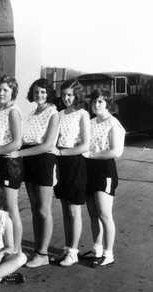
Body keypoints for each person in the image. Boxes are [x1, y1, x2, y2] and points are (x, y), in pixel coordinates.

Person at [8, 78, 59, 268]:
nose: (40, 95)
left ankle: (43, 253)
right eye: (37, 92)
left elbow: (46, 145)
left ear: (49, 94)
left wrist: (18, 153)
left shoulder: (53, 114)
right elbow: (22, 139)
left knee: (44, 210)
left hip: (44, 161)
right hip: (29, 160)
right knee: (34, 208)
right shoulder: (30, 113)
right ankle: (38, 250)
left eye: (44, 92)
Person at [49, 79, 90, 267]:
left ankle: (74, 252)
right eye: (64, 94)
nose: (66, 98)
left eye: (70, 95)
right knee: (65, 208)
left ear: (77, 96)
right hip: (61, 162)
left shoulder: (82, 114)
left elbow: (85, 145)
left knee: (74, 210)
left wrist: (62, 152)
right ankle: (67, 248)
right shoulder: (59, 114)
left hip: (75, 162)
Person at [84, 89, 125, 268]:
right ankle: (97, 249)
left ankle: (109, 254)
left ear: (108, 103)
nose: (96, 105)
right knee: (93, 213)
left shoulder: (113, 124)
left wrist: (91, 155)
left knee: (104, 214)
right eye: (94, 101)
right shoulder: (90, 122)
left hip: (105, 170)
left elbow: (116, 151)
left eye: (101, 101)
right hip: (89, 170)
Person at [0, 75, 24, 252]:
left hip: (11, 164)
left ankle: (16, 250)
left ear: (13, 93)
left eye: (6, 90)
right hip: (0, 162)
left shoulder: (13, 111)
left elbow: (17, 143)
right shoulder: (2, 110)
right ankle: (5, 245)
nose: (1, 93)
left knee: (11, 207)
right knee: (1, 207)